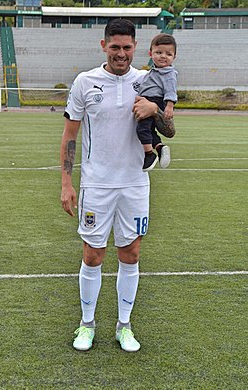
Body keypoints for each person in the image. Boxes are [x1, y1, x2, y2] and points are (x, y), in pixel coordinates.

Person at [60, 19, 166, 353]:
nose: (121, 53)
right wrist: (66, 182)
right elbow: (70, 135)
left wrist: (156, 111)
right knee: (93, 255)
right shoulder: (85, 82)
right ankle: (87, 325)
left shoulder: (148, 81)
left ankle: (124, 326)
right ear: (103, 45)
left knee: (130, 253)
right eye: (115, 47)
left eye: (127, 47)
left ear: (136, 47)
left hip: (135, 183)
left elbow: (171, 129)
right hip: (96, 185)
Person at [136, 33, 177, 172]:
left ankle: (149, 154)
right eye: (158, 52)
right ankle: (159, 147)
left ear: (174, 57)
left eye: (168, 54)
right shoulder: (154, 71)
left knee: (142, 129)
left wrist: (169, 106)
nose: (163, 56)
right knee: (149, 130)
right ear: (150, 53)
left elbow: (171, 90)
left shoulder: (168, 73)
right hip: (148, 100)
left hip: (155, 101)